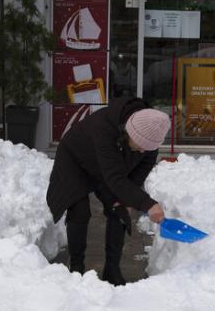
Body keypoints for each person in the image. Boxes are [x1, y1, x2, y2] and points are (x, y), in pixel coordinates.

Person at [47, 97, 170, 286]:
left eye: (147, 149)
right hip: (76, 159)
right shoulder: (103, 127)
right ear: (128, 130)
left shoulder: (150, 138)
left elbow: (136, 176)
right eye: (138, 145)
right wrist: (148, 204)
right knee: (80, 210)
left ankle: (112, 270)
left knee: (119, 210)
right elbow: (115, 178)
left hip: (109, 166)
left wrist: (127, 199)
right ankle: (76, 269)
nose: (141, 151)